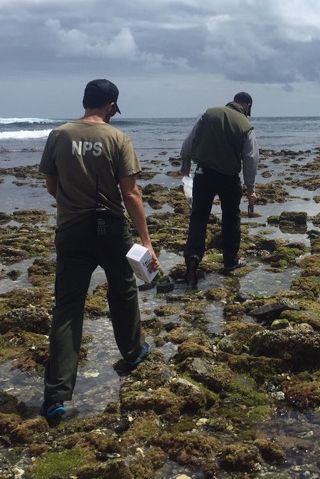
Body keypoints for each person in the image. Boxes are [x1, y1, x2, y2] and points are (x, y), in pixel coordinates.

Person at [38, 78, 160, 422]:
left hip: (71, 231)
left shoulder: (59, 135)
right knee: (122, 292)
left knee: (67, 309)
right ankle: (134, 353)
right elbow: (131, 193)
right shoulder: (117, 138)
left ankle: (56, 397)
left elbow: (52, 185)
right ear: (110, 107)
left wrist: (73, 208)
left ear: (85, 102)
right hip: (111, 228)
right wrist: (145, 240)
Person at [179, 92, 259, 287]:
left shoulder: (209, 114)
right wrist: (250, 188)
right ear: (247, 106)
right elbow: (250, 158)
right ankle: (230, 261)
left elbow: (190, 139)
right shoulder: (245, 124)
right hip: (228, 177)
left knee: (199, 216)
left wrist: (185, 162)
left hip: (203, 174)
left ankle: (193, 257)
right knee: (231, 216)